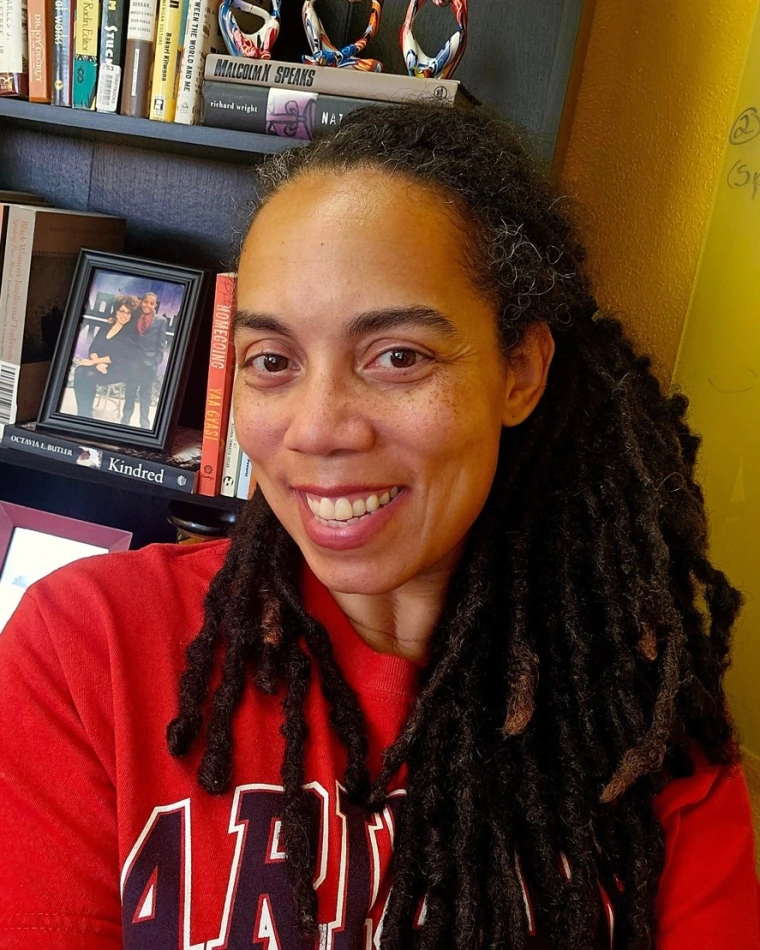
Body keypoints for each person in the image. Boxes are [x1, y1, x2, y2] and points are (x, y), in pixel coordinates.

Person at [1, 103, 758, 949]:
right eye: (272, 361)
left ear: (520, 371)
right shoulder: (87, 650)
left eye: (397, 355)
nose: (319, 427)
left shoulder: (641, 719)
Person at [71, 294, 140, 419]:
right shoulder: (107, 325)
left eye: (128, 313)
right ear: (116, 311)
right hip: (101, 364)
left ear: (132, 315)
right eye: (122, 311)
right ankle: (83, 413)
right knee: (80, 371)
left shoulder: (131, 332)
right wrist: (98, 363)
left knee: (88, 375)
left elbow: (118, 355)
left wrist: (93, 362)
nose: (124, 315)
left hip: (119, 368)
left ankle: (84, 415)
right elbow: (93, 347)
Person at [120, 290, 169, 429]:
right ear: (142, 302)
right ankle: (125, 421)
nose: (148, 305)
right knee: (130, 390)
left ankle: (144, 424)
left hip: (149, 364)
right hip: (133, 362)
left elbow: (161, 343)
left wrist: (156, 361)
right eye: (146, 302)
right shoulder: (134, 316)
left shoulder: (161, 321)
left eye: (151, 303)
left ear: (155, 306)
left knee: (145, 395)